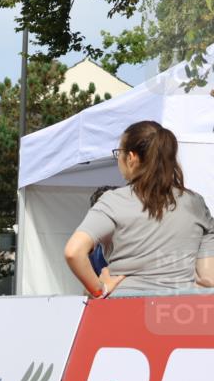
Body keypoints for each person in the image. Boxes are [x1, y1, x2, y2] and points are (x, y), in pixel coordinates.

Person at [64, 121, 214, 295]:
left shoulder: (113, 201)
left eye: (119, 153)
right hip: (178, 310)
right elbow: (208, 278)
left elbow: (73, 252)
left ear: (131, 158)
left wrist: (99, 289)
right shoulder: (195, 203)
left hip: (123, 307)